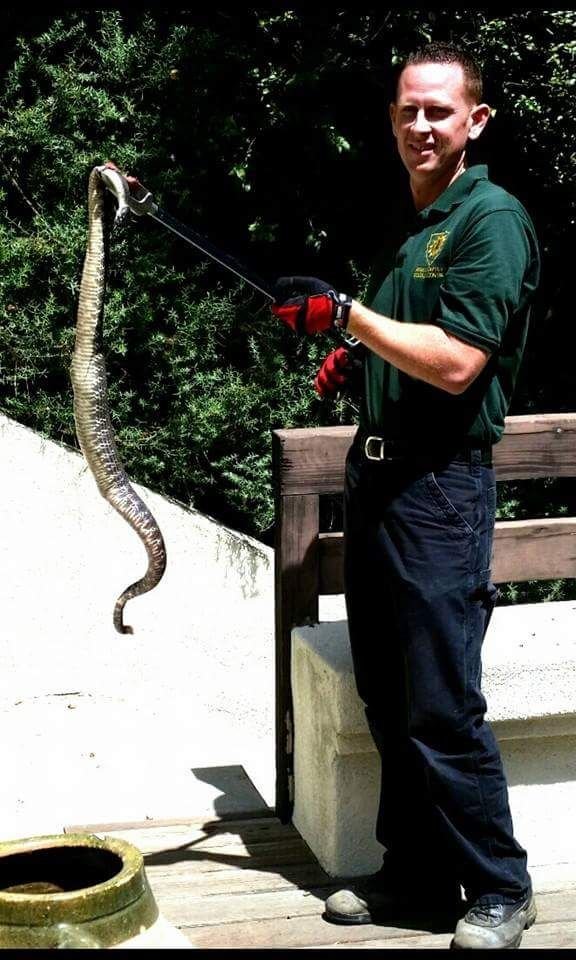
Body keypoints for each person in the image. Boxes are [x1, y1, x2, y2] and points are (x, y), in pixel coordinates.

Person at [271, 42, 540, 950]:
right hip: (380, 481)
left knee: (439, 700)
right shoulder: (415, 229)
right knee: (388, 693)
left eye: (438, 110)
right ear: (391, 123)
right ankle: (419, 875)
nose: (420, 126)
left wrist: (348, 314)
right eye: (406, 112)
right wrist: (357, 358)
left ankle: (501, 885)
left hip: (438, 490)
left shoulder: (488, 219)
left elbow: (462, 363)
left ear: (475, 121)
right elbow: (414, 345)